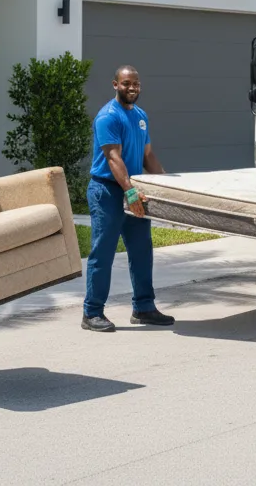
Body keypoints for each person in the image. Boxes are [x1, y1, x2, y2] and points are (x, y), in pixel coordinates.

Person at [82, 66, 176, 332]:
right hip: (108, 191)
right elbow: (113, 158)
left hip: (133, 189)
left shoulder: (141, 116)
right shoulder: (108, 117)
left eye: (136, 83)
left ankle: (144, 308)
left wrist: (167, 184)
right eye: (126, 83)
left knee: (141, 251)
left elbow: (148, 156)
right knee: (103, 252)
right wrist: (129, 191)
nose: (132, 88)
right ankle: (92, 312)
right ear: (115, 84)